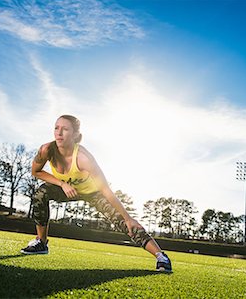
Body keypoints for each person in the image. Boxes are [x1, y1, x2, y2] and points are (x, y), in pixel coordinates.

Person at [21, 115, 172, 272]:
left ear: (74, 135)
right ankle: (41, 243)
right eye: (56, 128)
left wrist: (128, 218)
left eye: (65, 129)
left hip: (93, 192)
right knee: (41, 193)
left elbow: (105, 189)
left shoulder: (83, 158)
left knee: (123, 221)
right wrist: (61, 183)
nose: (59, 133)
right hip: (67, 189)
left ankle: (161, 257)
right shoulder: (46, 150)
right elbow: (36, 171)